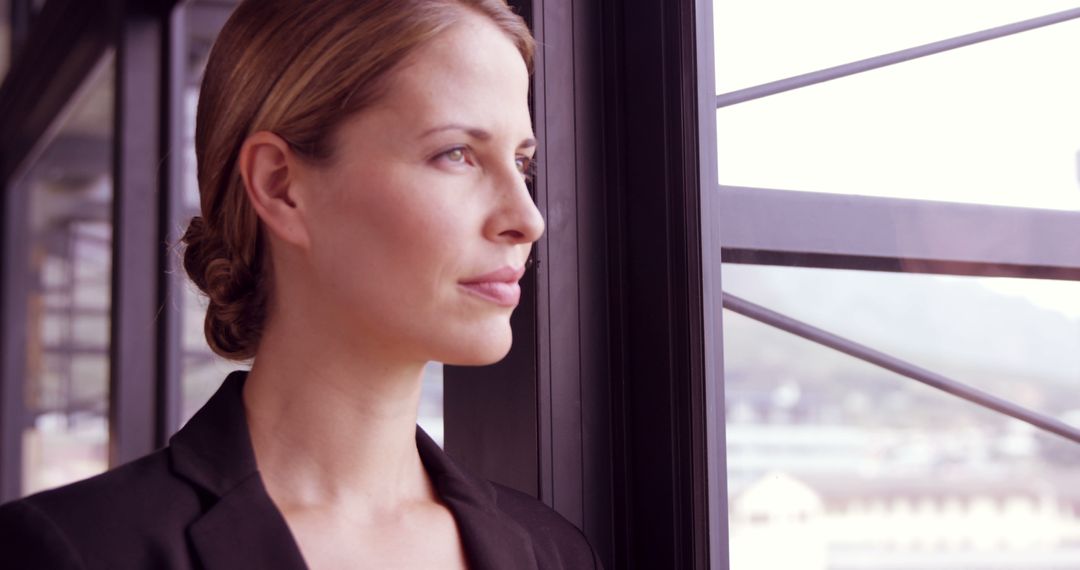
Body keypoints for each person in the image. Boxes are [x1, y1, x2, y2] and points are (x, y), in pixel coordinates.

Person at [0, 1, 603, 568]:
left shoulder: (553, 552)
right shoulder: (74, 552)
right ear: (282, 185)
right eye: (456, 154)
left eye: (521, 163)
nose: (528, 219)